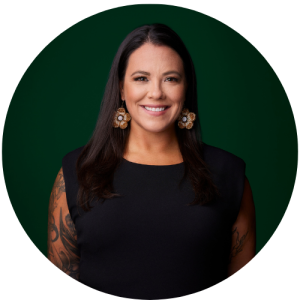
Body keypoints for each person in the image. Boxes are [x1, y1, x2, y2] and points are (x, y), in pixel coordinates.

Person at [47, 23, 256, 298]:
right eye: (141, 78)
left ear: (186, 88)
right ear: (121, 88)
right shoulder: (76, 171)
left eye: (171, 78)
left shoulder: (229, 174)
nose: (156, 93)